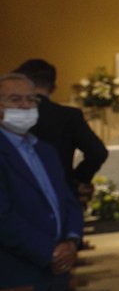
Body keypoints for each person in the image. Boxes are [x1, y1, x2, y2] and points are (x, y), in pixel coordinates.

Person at [0, 73, 84, 291]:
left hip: (55, 270)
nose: (25, 106)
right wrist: (50, 252)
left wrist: (72, 241)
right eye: (14, 100)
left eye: (31, 99)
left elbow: (67, 201)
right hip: (16, 271)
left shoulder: (44, 150)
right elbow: (4, 219)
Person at [14, 58, 109, 200]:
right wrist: (76, 179)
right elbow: (97, 152)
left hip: (17, 192)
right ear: (52, 88)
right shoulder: (68, 116)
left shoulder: (9, 115)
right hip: (60, 191)